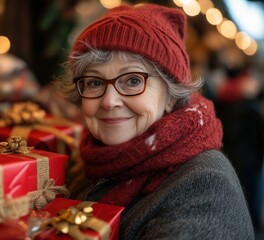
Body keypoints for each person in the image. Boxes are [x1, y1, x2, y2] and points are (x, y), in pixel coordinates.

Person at [55, 3, 254, 239]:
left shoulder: (204, 186)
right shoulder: (91, 161)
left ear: (171, 95)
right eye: (95, 82)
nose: (109, 101)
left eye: (132, 81)